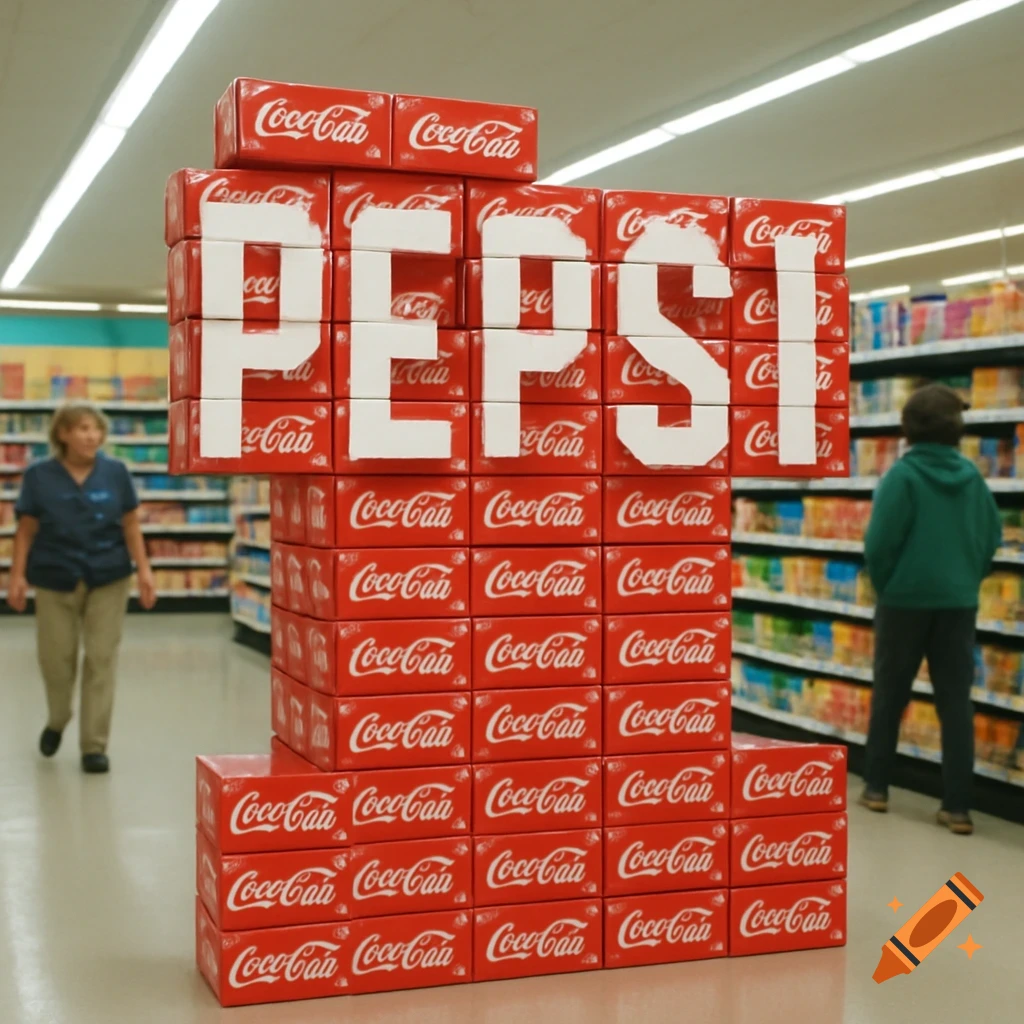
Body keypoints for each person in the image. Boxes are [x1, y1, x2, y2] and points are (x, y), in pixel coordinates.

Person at [860, 383, 1002, 834]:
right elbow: (991, 538)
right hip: (958, 604)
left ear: (908, 429)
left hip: (904, 603)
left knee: (890, 695)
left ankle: (877, 788)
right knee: (955, 703)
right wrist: (965, 580)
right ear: (957, 432)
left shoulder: (901, 477)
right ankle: (957, 808)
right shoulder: (974, 479)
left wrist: (890, 587)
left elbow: (879, 544)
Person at [6, 402, 157, 773]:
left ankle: (94, 745)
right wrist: (16, 575)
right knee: (55, 660)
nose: (92, 436)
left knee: (102, 658)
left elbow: (131, 525)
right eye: (84, 429)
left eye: (97, 430)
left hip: (109, 575)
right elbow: (25, 531)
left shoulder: (116, 473)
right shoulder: (39, 476)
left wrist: (145, 571)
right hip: (54, 576)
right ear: (63, 434)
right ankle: (58, 718)